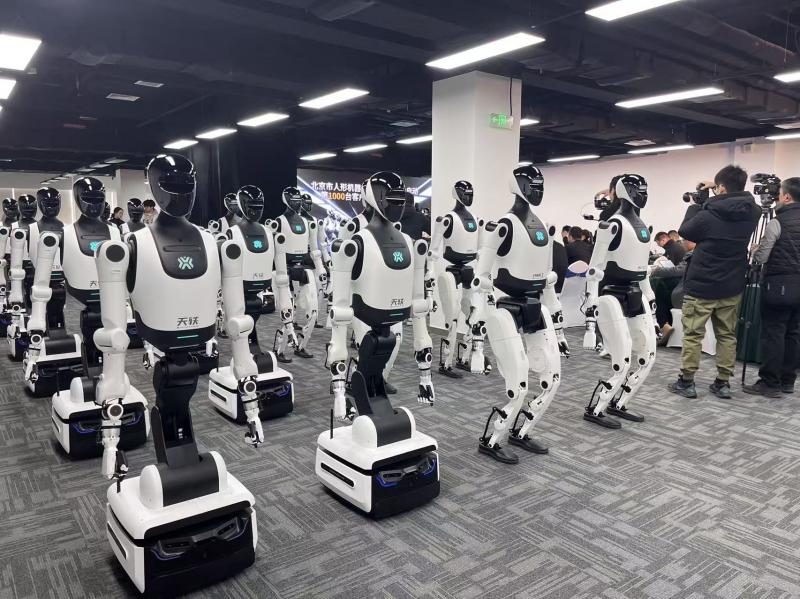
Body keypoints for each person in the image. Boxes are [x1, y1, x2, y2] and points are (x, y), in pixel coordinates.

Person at [668, 165, 760, 399]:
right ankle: (723, 383)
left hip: (702, 284)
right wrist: (718, 192)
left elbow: (685, 231)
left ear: (721, 188)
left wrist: (697, 203)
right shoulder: (753, 212)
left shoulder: (708, 214)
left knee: (693, 335)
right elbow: (742, 200)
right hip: (732, 284)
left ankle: (687, 382)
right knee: (727, 335)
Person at [743, 177, 800, 397]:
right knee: (793, 334)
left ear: (786, 196)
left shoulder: (778, 222)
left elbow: (762, 257)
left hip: (778, 286)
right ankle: (788, 380)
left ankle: (769, 383)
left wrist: (756, 250)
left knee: (774, 334)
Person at [650, 240, 696, 342]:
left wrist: (656, 271)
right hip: (707, 293)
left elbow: (679, 270)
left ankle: (664, 324)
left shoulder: (693, 254)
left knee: (661, 289)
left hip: (690, 295)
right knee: (666, 291)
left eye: (684, 241)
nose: (683, 244)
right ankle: (666, 324)